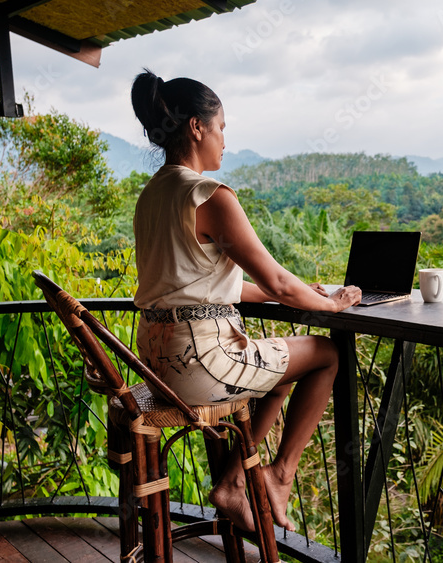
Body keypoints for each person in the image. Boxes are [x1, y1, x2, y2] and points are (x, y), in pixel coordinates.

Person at [129, 69, 361, 532]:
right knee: (327, 354)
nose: (224, 141)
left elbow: (214, 285)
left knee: (279, 366)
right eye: (221, 128)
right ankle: (279, 475)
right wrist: (333, 305)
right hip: (201, 363)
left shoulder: (153, 194)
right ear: (197, 127)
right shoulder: (208, 195)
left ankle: (236, 479)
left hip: (155, 362)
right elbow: (275, 279)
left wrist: (297, 294)